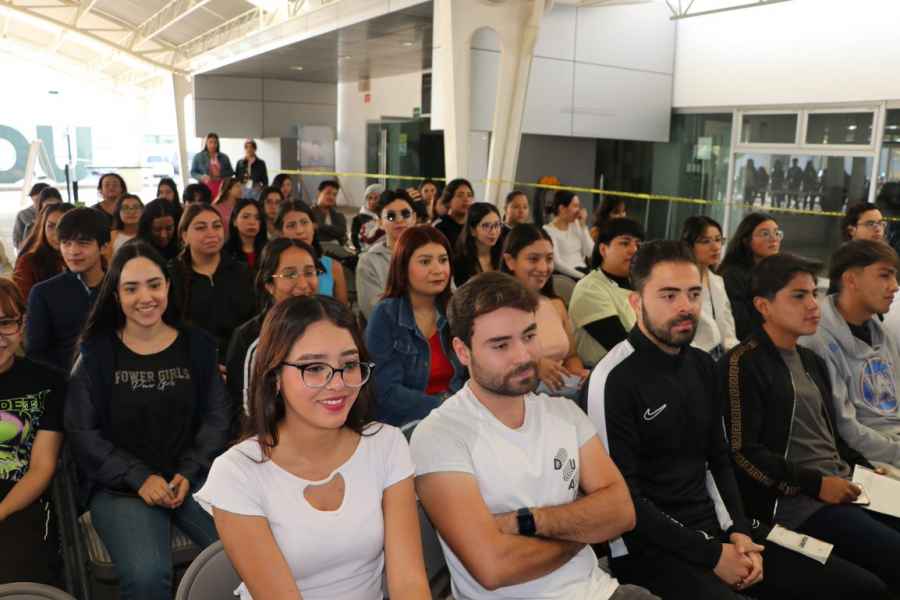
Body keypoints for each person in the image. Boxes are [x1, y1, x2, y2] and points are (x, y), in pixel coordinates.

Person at [589, 241, 889, 600]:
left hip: (721, 531)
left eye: (694, 294)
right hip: (651, 548)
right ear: (635, 302)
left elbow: (719, 460)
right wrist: (712, 554)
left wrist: (740, 533)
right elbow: (622, 500)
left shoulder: (701, 365)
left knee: (862, 588)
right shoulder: (613, 379)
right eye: (668, 295)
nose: (686, 306)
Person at [410, 271, 653, 600]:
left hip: (602, 591)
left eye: (528, 336)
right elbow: (493, 568)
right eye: (501, 345)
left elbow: (622, 511)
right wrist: (584, 527)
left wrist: (525, 522)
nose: (523, 355)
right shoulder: (440, 435)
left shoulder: (564, 413)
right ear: (463, 351)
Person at [197, 295, 430, 599]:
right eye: (314, 367)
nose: (337, 383)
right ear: (275, 376)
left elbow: (409, 583)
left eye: (349, 364)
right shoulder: (237, 472)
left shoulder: (387, 445)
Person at [720, 253, 900, 593]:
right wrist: (816, 484)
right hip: (795, 502)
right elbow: (742, 453)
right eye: (798, 296)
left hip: (844, 485)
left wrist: (865, 469)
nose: (813, 305)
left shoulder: (810, 360)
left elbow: (829, 438)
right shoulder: (743, 363)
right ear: (763, 306)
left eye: (814, 294)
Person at [66, 241, 228, 600]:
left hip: (193, 478)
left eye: (154, 284)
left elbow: (217, 417)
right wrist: (138, 476)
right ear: (116, 295)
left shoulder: (198, 345)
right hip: (119, 488)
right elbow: (83, 433)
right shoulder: (96, 355)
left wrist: (189, 470)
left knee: (242, 552)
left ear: (168, 286)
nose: (145, 297)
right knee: (146, 576)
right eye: (131, 288)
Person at [801, 241, 900, 475]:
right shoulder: (817, 341)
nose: (895, 286)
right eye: (884, 275)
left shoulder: (881, 333)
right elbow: (845, 431)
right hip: (866, 462)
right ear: (851, 280)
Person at [0, 279, 67, 585]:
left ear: (22, 324)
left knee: (18, 574)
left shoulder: (48, 383)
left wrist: (1, 511)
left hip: (22, 502)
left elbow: (42, 467)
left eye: (6, 323)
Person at [365, 226, 463, 428]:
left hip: (458, 416)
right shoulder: (386, 315)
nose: (438, 270)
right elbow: (385, 390)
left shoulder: (457, 310)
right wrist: (445, 407)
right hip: (404, 423)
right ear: (403, 267)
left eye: (443, 260)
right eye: (425, 262)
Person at [225, 238, 321, 427]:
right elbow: (248, 412)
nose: (303, 284)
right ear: (269, 284)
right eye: (290, 274)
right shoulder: (251, 338)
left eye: (309, 272)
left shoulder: (330, 327)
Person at [501, 224, 588, 398]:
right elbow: (492, 362)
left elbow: (571, 356)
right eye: (533, 259)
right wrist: (533, 367)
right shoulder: (497, 309)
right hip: (519, 396)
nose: (543, 268)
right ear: (510, 261)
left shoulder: (555, 305)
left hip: (562, 394)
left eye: (549, 259)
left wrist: (577, 374)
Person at [169, 203, 256, 364]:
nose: (211, 233)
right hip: (189, 363)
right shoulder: (171, 275)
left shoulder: (242, 272)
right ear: (184, 235)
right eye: (201, 228)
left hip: (240, 361)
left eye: (216, 226)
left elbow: (253, 323)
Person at [26, 208, 109, 371]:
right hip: (64, 380)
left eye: (83, 243)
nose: (73, 251)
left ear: (104, 247)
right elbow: (36, 355)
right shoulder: (43, 293)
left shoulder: (121, 287)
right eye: (66, 243)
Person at [569, 218, 643, 367]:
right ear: (603, 249)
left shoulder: (642, 285)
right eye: (625, 243)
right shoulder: (590, 288)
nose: (634, 250)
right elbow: (621, 347)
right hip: (606, 371)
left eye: (638, 244)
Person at [681, 216, 739, 359]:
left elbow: (728, 329)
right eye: (705, 241)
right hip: (691, 356)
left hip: (721, 356)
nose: (715, 247)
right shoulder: (679, 282)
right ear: (689, 245)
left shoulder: (718, 281)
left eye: (718, 240)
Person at [718, 212, 782, 341]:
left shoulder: (779, 271)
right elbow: (740, 325)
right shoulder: (732, 275)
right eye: (765, 234)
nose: (774, 239)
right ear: (746, 241)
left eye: (776, 233)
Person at [356, 189, 417, 319]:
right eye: (391, 216)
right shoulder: (369, 261)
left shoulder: (432, 253)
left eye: (405, 214)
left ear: (414, 218)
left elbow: (449, 300)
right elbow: (374, 311)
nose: (399, 220)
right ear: (380, 223)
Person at [274, 200, 348, 305]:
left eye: (304, 222)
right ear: (280, 233)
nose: (300, 231)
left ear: (314, 226)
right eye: (291, 225)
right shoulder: (274, 266)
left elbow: (342, 310)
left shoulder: (333, 267)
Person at [13, 202, 73, 300]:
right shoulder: (29, 262)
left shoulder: (85, 257)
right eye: (51, 226)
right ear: (43, 228)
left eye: (64, 226)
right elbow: (21, 302)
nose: (56, 234)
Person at [543, 191, 594, 280]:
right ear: (562, 208)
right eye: (575, 206)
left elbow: (590, 252)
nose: (579, 211)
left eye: (579, 206)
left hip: (583, 271)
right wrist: (582, 276)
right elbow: (557, 264)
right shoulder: (548, 230)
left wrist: (583, 226)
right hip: (566, 276)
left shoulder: (577, 224)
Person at [453, 202, 503, 287]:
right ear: (472, 230)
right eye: (486, 226)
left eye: (497, 225)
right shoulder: (460, 262)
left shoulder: (505, 255)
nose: (493, 231)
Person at [224, 198, 267, 272]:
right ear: (234, 221)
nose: (252, 222)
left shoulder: (269, 250)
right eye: (246, 217)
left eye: (257, 218)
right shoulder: (225, 252)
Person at [432, 178, 474, 251]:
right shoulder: (440, 226)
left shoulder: (475, 224)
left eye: (469, 195)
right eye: (460, 195)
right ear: (448, 201)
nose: (466, 199)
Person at [191, 132, 234, 200]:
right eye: (210, 142)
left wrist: (220, 174)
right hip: (204, 188)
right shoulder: (198, 157)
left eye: (215, 142)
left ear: (218, 144)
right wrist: (202, 177)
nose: (213, 145)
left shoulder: (224, 157)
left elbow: (231, 172)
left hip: (222, 188)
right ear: (206, 143)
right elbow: (193, 172)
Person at [12, 182, 50, 251]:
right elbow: (17, 242)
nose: (38, 204)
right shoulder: (23, 215)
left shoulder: (57, 212)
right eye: (35, 201)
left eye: (40, 200)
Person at [311, 180, 348, 247]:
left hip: (337, 250)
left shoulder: (338, 215)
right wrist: (333, 233)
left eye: (334, 195)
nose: (331, 197)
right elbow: (316, 236)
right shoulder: (309, 213)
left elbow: (341, 231)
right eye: (328, 193)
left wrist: (320, 226)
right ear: (319, 194)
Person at [351, 183, 385, 252]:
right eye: (369, 198)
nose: (372, 202)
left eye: (376, 198)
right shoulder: (359, 218)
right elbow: (355, 240)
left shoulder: (386, 215)